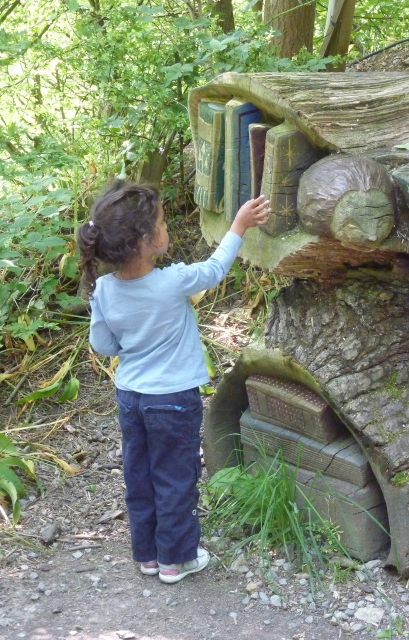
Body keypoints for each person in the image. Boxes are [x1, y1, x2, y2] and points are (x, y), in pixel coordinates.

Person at [77, 181, 271, 583]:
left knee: (140, 475)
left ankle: (148, 555)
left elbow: (104, 345)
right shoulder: (174, 280)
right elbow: (215, 269)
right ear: (145, 241)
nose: (167, 229)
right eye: (163, 224)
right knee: (176, 478)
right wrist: (238, 226)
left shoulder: (103, 290)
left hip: (131, 398)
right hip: (173, 400)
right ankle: (176, 559)